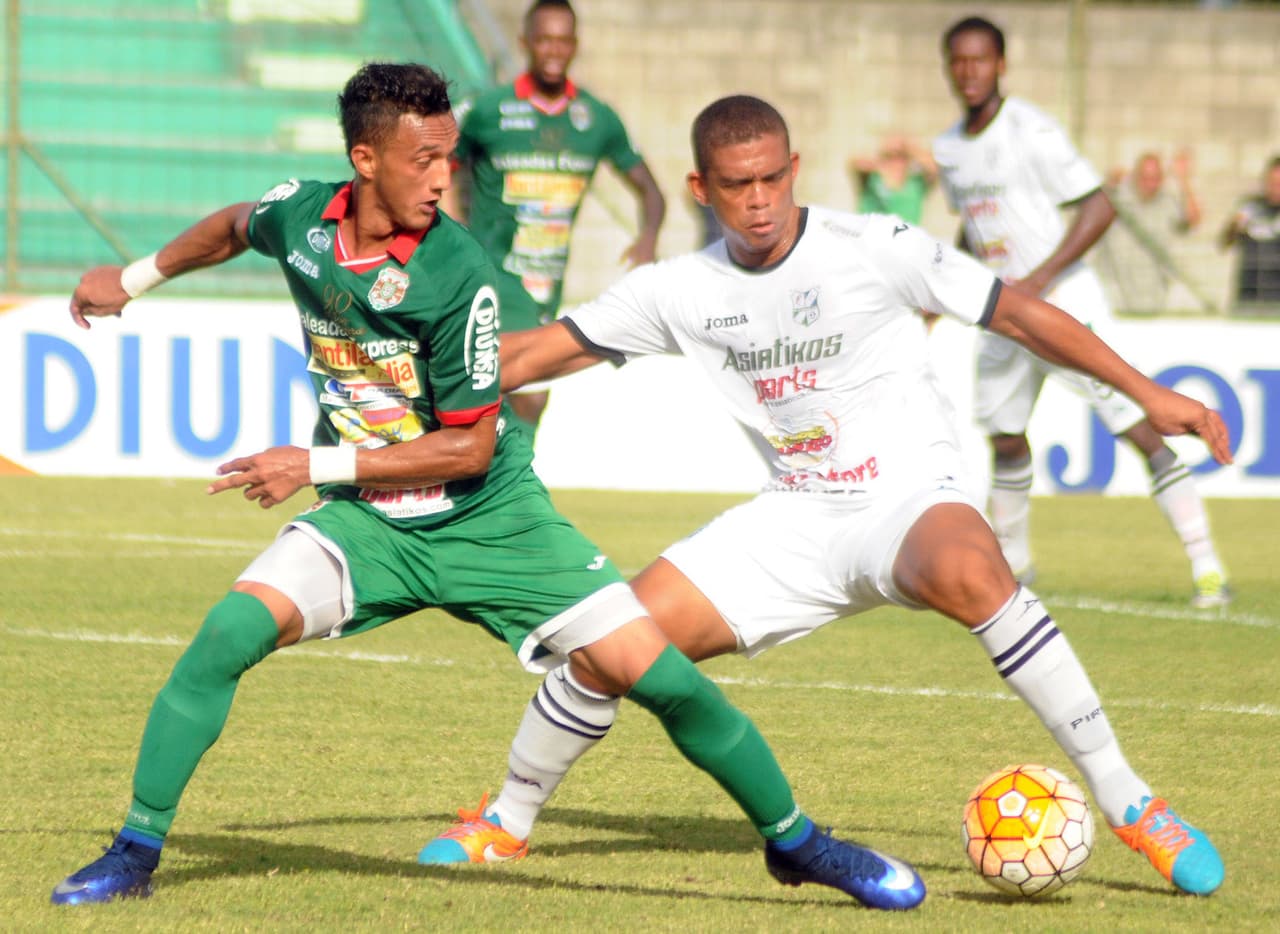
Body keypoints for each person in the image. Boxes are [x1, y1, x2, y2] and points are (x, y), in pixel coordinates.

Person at [48, 63, 924, 912]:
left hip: (492, 520)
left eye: (449, 157)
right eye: (423, 160)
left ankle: (798, 843)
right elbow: (238, 224)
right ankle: (135, 852)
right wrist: (132, 281)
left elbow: (466, 451)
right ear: (364, 161)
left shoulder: (456, 272)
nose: (443, 178)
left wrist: (309, 465)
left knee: (663, 681)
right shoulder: (302, 217)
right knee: (225, 636)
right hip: (368, 524)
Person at [417, 94, 1227, 898]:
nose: (760, 199)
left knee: (972, 568)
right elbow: (537, 355)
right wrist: (405, 374)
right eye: (738, 185)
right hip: (794, 519)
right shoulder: (678, 289)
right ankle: (509, 822)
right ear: (702, 189)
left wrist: (1146, 392)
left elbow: (1017, 314)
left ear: (795, 169)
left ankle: (1133, 805)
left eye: (773, 177)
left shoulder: (874, 245)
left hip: (907, 498)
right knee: (608, 638)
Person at [931, 15, 1231, 607]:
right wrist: (940, 292)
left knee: (1138, 427)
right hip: (1000, 311)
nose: (969, 72)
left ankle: (1207, 566)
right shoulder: (947, 148)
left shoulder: (1032, 130)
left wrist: (1039, 280)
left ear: (1001, 65)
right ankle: (1014, 564)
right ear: (948, 67)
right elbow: (974, 226)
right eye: (958, 62)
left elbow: (1099, 207)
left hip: (1062, 304)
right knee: (1006, 437)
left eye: (980, 60)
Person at [445, 0, 666, 432]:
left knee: (518, 394)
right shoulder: (490, 109)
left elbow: (651, 191)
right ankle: (507, 485)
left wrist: (648, 239)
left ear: (575, 46)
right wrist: (451, 227)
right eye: (544, 39)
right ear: (525, 42)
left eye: (563, 40)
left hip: (547, 278)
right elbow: (440, 161)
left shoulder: (596, 120)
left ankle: (494, 480)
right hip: (492, 270)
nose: (553, 50)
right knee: (528, 390)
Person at [1095, 150, 1203, 313]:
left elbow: (1192, 219)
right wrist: (1109, 183)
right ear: (1135, 176)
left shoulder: (1167, 202)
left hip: (1153, 295)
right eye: (1145, 178)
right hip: (1115, 293)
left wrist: (1183, 180)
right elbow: (1089, 212)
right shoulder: (1118, 196)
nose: (1151, 184)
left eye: (1156, 179)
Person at [1219, 155, 1280, 308]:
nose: (1275, 188)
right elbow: (1224, 243)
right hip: (1248, 297)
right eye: (1272, 183)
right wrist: (1234, 226)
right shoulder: (1250, 207)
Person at [848, 134, 938, 224]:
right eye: (890, 156)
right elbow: (856, 163)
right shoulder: (872, 177)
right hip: (869, 234)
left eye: (902, 156)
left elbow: (936, 167)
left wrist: (910, 148)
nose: (896, 161)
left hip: (904, 235)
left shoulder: (916, 182)